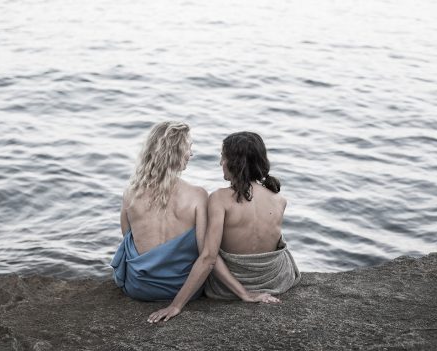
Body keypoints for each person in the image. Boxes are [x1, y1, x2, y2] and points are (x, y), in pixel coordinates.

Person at [148, 131, 300, 323]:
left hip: (228, 288)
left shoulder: (219, 199)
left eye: (223, 157)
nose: (220, 163)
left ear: (235, 162)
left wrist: (176, 305)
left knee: (201, 243)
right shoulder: (279, 199)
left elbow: (209, 257)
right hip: (276, 281)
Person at [110, 121, 207, 301]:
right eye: (188, 148)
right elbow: (205, 254)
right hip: (184, 289)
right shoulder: (198, 196)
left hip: (139, 288)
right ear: (175, 152)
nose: (191, 154)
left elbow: (127, 238)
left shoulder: (131, 193)